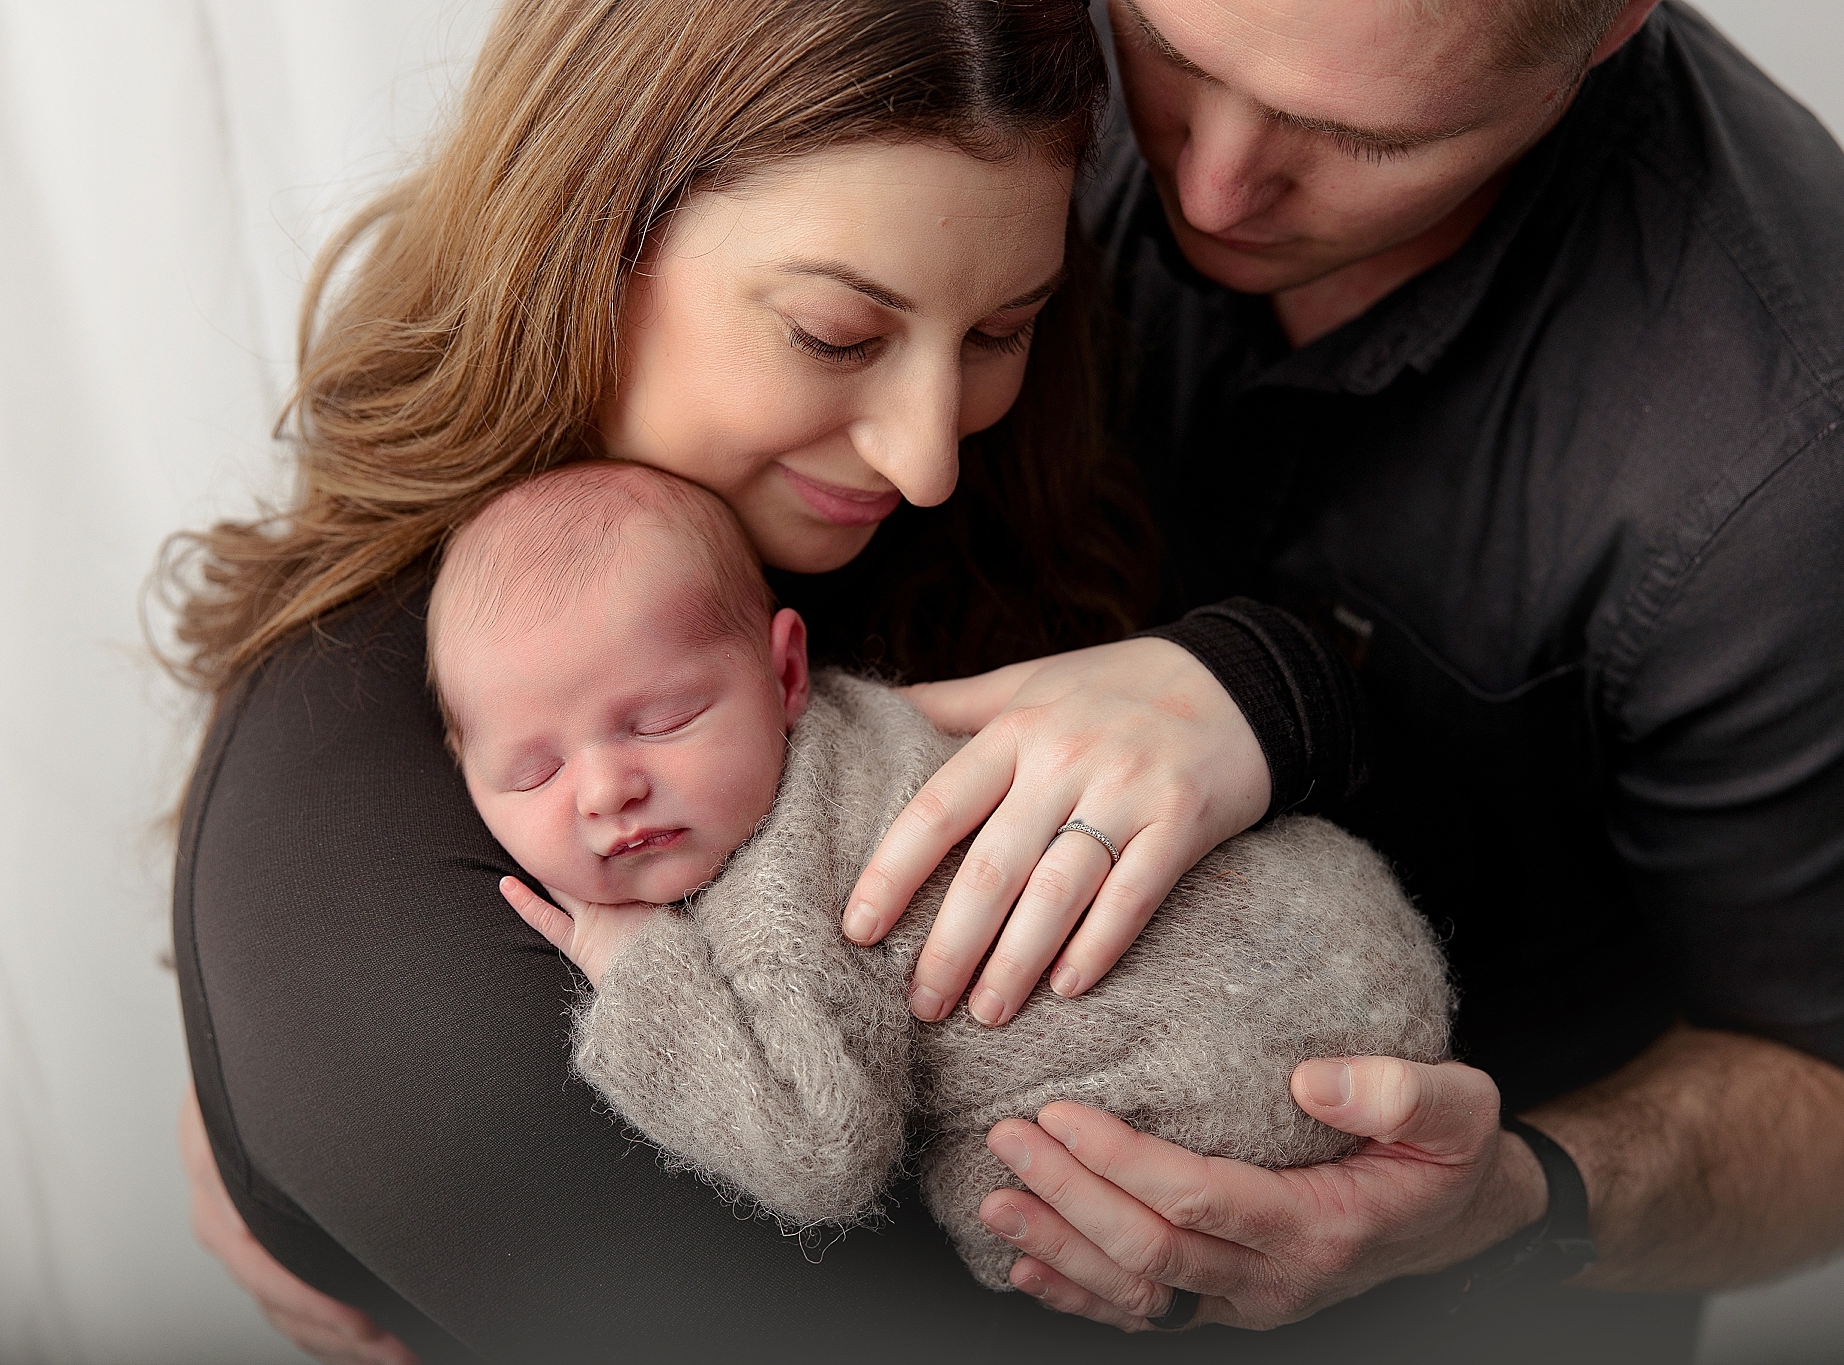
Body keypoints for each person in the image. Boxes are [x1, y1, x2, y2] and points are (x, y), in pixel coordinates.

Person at [168, 2, 1359, 1362]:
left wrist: (1263, 691)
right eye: (838, 334)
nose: (925, 460)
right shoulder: (377, 874)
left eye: (997, 332)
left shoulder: (957, 511)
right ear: (590, 232)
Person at [885, 0, 1844, 1351]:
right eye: (1173, 54)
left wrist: (1511, 1202)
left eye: (1359, 136)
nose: (1210, 183)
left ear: (1614, 24)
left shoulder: (1820, 473)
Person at [426, 458, 1448, 1290]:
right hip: (1354, 944)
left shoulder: (786, 891)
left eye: (660, 721)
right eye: (533, 772)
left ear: (785, 675)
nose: (606, 791)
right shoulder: (870, 726)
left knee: (1002, 1208)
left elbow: (816, 1150)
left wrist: (637, 961)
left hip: (1249, 1080)